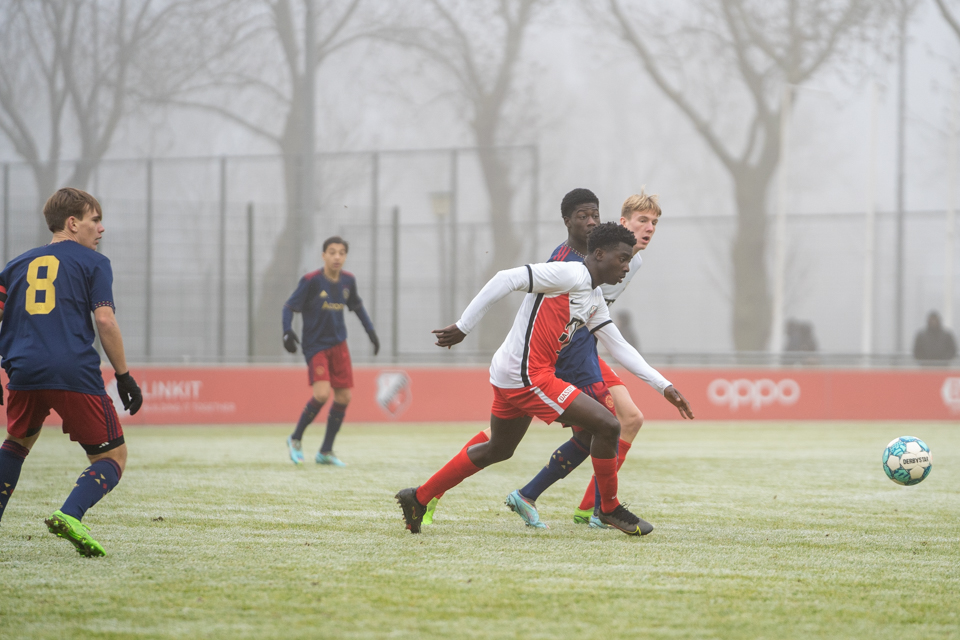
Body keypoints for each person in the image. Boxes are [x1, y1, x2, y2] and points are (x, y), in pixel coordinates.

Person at [395, 221, 694, 536]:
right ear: (600, 253)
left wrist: (664, 386)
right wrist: (463, 326)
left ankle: (418, 497)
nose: (626, 266)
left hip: (511, 372)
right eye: (622, 258)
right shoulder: (570, 274)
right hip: (527, 376)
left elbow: (619, 347)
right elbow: (505, 278)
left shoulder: (592, 297)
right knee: (607, 425)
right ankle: (608, 508)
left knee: (499, 449)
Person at [0, 188, 143, 557]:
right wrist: (124, 376)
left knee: (16, 445)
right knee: (113, 458)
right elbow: (105, 320)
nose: (101, 229)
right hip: (72, 371)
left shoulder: (15, 266)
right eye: (95, 220)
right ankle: (70, 514)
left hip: (22, 370)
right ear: (73, 223)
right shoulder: (94, 263)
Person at [282, 236, 379, 466]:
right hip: (316, 346)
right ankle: (295, 439)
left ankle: (325, 451)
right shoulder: (311, 281)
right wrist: (287, 331)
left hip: (339, 345)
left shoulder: (348, 281)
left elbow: (356, 307)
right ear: (323, 255)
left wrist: (371, 332)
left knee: (344, 397)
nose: (337, 257)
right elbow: (289, 306)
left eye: (342, 253)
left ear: (345, 256)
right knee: (322, 394)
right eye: (332, 252)